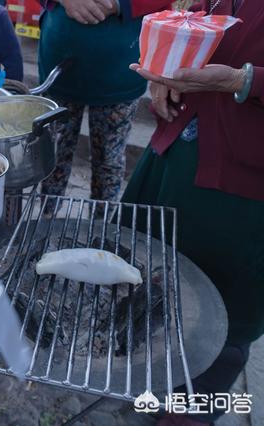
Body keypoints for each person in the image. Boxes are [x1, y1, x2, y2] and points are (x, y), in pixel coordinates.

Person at [124, 1, 263, 424]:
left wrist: (244, 80)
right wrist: (167, 71)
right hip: (176, 154)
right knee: (150, 277)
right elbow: (203, 17)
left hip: (244, 189)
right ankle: (147, 384)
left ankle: (188, 412)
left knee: (224, 317)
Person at [38, 0, 172, 204]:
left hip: (121, 66)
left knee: (109, 160)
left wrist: (120, 4)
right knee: (52, 153)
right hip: (59, 59)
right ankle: (46, 218)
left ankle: (102, 226)